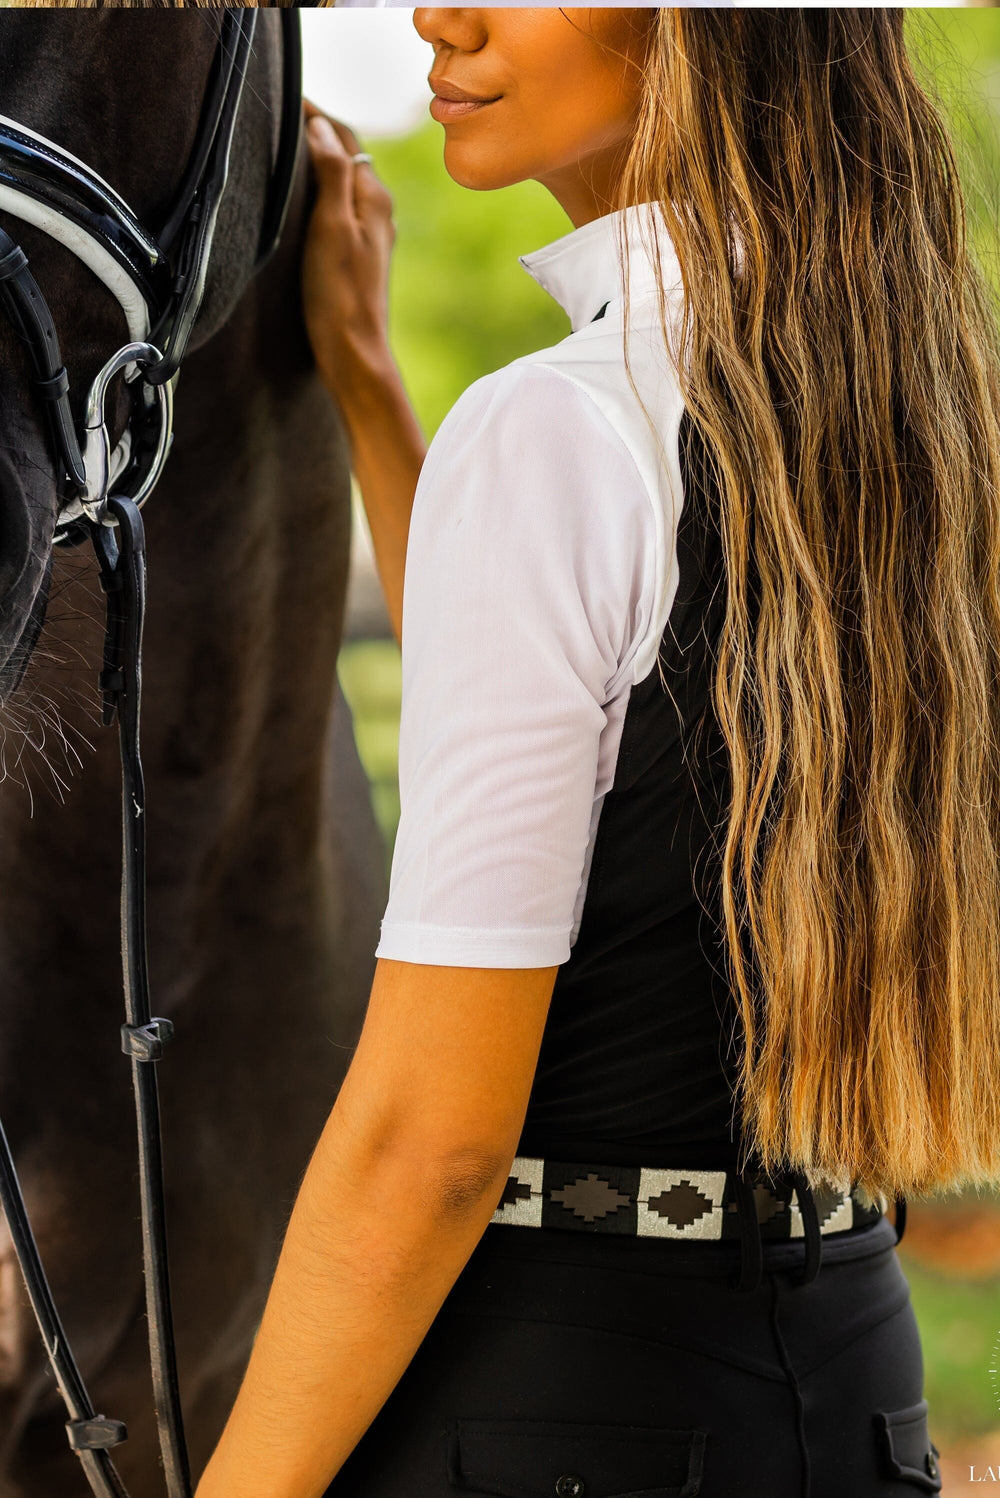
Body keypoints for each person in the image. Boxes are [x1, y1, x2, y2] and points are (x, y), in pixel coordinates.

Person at [193, 10, 1000, 1497]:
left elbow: (431, 1146)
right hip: (850, 1387)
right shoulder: (914, 425)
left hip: (558, 1411)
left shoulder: (558, 431)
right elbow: (590, 745)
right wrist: (368, 386)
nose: (439, 15)